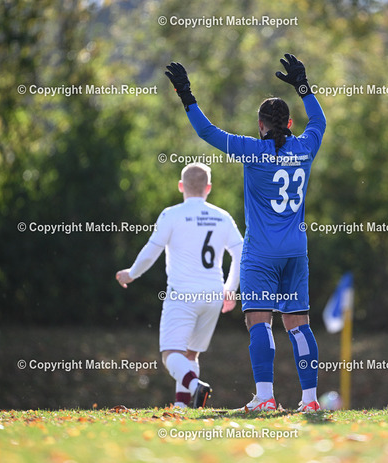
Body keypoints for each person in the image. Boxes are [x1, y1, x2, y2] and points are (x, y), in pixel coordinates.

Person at [165, 54, 326, 412]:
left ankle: (265, 398)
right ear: (289, 123)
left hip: (261, 253)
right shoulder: (306, 146)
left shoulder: (254, 151)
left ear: (260, 125)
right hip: (295, 251)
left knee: (259, 321)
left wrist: (186, 94)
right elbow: (319, 121)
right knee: (298, 324)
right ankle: (310, 401)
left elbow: (208, 132)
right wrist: (303, 85)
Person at [116, 162, 243, 409]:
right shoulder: (222, 216)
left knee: (170, 355)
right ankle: (183, 407)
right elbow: (240, 252)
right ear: (208, 188)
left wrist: (131, 274)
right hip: (214, 294)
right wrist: (231, 289)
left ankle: (195, 387)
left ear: (180, 186)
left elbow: (151, 250)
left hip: (183, 294)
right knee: (191, 354)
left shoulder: (171, 214)